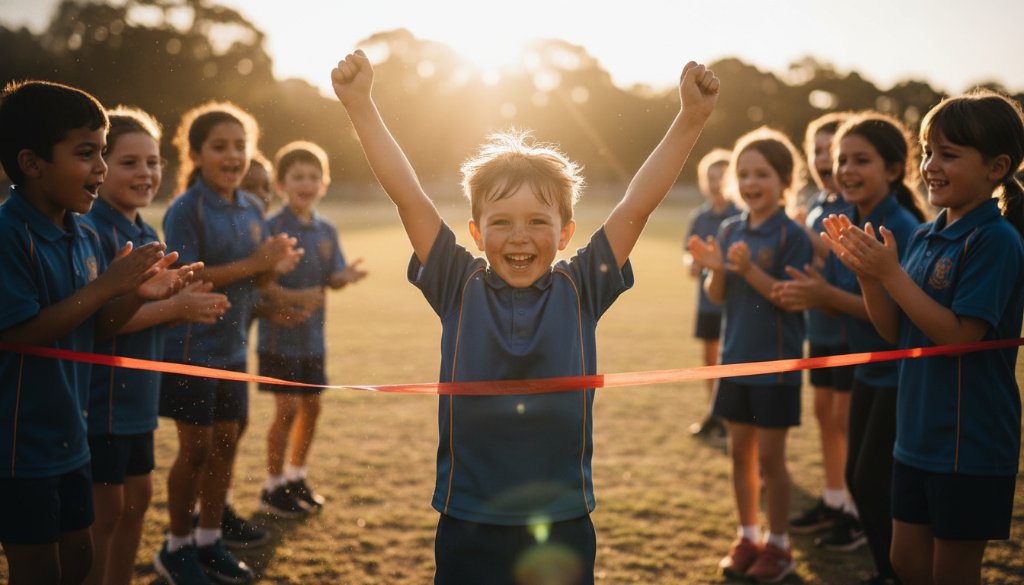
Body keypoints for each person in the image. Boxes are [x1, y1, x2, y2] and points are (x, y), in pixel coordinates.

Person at [332, 49, 719, 584]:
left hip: (561, 518)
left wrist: (690, 119)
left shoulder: (583, 285)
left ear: (564, 233)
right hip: (467, 515)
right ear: (475, 232)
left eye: (538, 221)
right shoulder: (455, 282)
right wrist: (361, 106)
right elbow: (410, 199)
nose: (519, 236)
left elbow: (636, 205)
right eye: (501, 221)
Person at [823, 89, 1024, 585]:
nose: (931, 165)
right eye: (929, 150)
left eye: (949, 154)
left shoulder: (995, 240)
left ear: (997, 167)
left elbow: (959, 336)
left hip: (967, 441)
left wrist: (890, 276)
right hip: (914, 433)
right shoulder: (924, 235)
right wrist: (871, 276)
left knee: (952, 572)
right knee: (905, 562)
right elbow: (896, 333)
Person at [0, 80, 194, 585]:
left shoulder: (80, 233)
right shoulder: (8, 236)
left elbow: (97, 326)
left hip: (72, 434)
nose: (101, 168)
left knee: (81, 559)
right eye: (87, 154)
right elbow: (22, 335)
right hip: (21, 446)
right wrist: (110, 284)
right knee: (39, 570)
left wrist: (135, 295)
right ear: (31, 162)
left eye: (103, 153)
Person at [774, 112, 928, 584]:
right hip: (868, 370)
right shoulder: (852, 218)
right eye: (843, 159)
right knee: (861, 481)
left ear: (895, 169)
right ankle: (888, 571)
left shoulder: (897, 226)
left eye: (862, 160)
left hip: (898, 374)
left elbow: (895, 318)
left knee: (875, 483)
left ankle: (896, 573)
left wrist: (824, 296)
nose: (846, 169)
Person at [155, 101, 302, 585]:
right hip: (190, 351)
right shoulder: (186, 208)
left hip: (234, 349)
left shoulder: (254, 206)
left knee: (225, 444)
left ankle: (209, 540)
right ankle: (176, 548)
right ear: (196, 153)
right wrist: (258, 263)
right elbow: (186, 278)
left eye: (241, 146)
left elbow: (250, 281)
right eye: (220, 147)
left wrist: (273, 273)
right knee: (194, 450)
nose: (233, 156)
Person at [83, 106, 230, 585]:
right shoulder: (90, 231)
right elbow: (99, 323)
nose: (145, 172)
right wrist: (177, 306)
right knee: (103, 515)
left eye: (152, 162)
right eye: (129, 162)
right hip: (101, 402)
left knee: (137, 502)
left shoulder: (145, 231)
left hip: (138, 401)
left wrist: (184, 300)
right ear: (100, 168)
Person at [687, 127, 813, 583]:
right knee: (740, 456)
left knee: (770, 462)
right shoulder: (729, 227)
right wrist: (715, 269)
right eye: (743, 173)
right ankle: (748, 536)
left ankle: (779, 547)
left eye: (762, 173)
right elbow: (718, 295)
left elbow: (787, 296)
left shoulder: (791, 235)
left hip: (775, 368)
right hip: (734, 362)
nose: (751, 182)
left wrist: (749, 270)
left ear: (784, 180)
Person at [257, 140, 367, 518]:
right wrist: (292, 296)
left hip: (313, 341)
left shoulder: (326, 230)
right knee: (285, 410)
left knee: (313, 408)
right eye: (297, 176)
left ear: (324, 183)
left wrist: (345, 276)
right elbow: (258, 283)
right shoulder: (271, 228)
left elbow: (331, 278)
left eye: (313, 176)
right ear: (281, 184)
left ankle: (295, 476)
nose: (306, 183)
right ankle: (272, 487)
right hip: (279, 340)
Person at [787, 112, 860, 542]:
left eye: (830, 150)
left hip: (851, 332)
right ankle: (833, 500)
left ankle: (855, 510)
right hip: (821, 332)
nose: (822, 159)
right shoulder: (817, 205)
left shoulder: (855, 205)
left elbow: (843, 261)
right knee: (824, 417)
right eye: (815, 150)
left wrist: (806, 238)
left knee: (845, 420)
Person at [683, 148, 738, 440]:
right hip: (706, 301)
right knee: (709, 358)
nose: (716, 183)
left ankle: (732, 418)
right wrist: (691, 263)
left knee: (731, 360)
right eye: (711, 177)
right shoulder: (699, 216)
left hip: (733, 302)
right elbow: (687, 253)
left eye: (722, 176)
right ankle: (714, 413)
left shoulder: (740, 215)